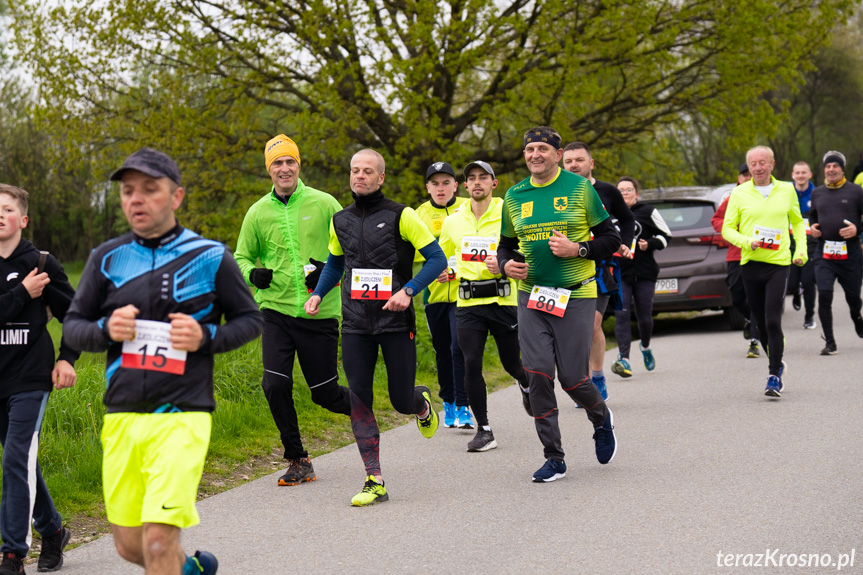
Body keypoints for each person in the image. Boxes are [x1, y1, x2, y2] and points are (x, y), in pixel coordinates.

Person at [64, 148, 263, 575]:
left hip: (182, 413)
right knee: (131, 547)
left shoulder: (210, 256)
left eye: (149, 190)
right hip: (122, 416)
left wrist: (206, 336)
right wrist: (105, 331)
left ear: (176, 197)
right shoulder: (106, 257)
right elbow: (72, 326)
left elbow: (250, 320)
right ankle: (190, 569)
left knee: (157, 540)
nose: (135, 200)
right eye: (128, 191)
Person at [304, 149, 447, 506]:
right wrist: (318, 294)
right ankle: (374, 478)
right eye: (355, 170)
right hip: (354, 324)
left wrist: (409, 290)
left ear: (380, 177)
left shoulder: (403, 215)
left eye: (368, 171)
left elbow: (437, 259)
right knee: (359, 399)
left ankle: (421, 404)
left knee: (400, 401)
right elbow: (336, 265)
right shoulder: (340, 220)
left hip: (395, 321)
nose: (360, 176)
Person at [497, 126, 619, 483]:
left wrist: (578, 249)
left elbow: (611, 238)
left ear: (556, 153)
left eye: (542, 149)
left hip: (576, 294)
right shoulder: (515, 195)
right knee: (537, 376)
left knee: (572, 378)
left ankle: (601, 418)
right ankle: (554, 458)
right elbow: (505, 245)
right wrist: (507, 263)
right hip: (532, 296)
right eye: (529, 149)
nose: (535, 155)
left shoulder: (579, 188)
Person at [234, 135, 351, 487]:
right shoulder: (257, 212)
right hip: (276, 312)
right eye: (277, 163)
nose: (284, 168)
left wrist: (329, 272)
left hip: (320, 313)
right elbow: (240, 257)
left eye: (290, 162)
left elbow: (350, 251)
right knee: (274, 384)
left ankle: (367, 412)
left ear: (299, 166)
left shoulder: (325, 203)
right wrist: (252, 274)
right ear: (268, 169)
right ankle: (298, 458)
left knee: (326, 394)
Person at [0, 185, 78, 575]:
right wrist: (21, 294)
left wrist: (67, 358)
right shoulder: (26, 281)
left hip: (30, 377)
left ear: (23, 219)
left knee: (16, 458)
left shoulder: (43, 263)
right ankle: (52, 530)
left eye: (7, 209)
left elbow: (76, 317)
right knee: (19, 461)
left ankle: (13, 553)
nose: (0, 215)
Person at [437, 160, 530, 452]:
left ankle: (526, 384)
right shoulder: (453, 221)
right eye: (472, 179)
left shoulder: (509, 213)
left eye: (483, 178)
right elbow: (444, 256)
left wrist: (504, 263)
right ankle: (485, 429)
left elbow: (527, 250)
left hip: (503, 300)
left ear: (494, 183)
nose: (477, 183)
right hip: (468, 303)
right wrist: (443, 271)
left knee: (512, 363)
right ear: (465, 186)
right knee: (470, 362)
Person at [721, 146, 806, 398]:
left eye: (762, 163)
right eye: (752, 164)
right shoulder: (739, 193)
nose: (757, 168)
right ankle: (777, 364)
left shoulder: (787, 189)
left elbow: (798, 222)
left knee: (772, 319)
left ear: (772, 164)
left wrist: (800, 251)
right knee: (760, 324)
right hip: (750, 264)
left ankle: (772, 376)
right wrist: (747, 242)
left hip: (778, 263)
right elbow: (727, 229)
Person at [561, 142, 635, 393]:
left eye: (579, 160)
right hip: (564, 270)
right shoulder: (555, 192)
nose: (573, 165)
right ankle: (579, 382)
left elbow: (627, 219)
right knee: (571, 330)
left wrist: (625, 244)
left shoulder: (607, 191)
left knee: (591, 325)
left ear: (590, 164)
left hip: (600, 268)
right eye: (568, 161)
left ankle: (597, 378)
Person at [414, 162, 470, 429]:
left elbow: (478, 245)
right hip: (434, 295)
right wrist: (432, 268)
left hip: (465, 293)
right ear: (427, 187)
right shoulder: (417, 214)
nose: (440, 188)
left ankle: (464, 405)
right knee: (443, 350)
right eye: (435, 183)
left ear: (456, 186)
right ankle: (448, 401)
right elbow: (412, 253)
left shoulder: (469, 207)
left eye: (446, 183)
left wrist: (456, 270)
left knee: (460, 347)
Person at [613, 177, 671, 374]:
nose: (624, 193)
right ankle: (624, 359)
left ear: (637, 194)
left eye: (628, 190)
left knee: (644, 317)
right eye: (620, 190)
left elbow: (666, 236)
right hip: (619, 272)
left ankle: (645, 347)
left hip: (645, 272)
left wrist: (649, 244)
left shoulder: (648, 211)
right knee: (621, 315)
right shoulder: (609, 214)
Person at [809, 150, 863, 355]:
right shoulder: (818, 193)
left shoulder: (856, 191)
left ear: (842, 169)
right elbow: (812, 214)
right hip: (825, 253)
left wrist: (857, 229)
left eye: (835, 166)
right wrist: (813, 226)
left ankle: (856, 315)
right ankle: (830, 342)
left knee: (853, 298)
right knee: (824, 294)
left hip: (850, 254)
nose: (831, 170)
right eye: (828, 166)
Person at [712, 163, 761, 357]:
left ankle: (755, 341)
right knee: (737, 296)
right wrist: (734, 226)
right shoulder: (733, 198)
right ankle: (750, 319)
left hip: (760, 254)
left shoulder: (764, 198)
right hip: (736, 254)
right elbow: (716, 220)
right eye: (744, 175)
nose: (748, 178)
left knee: (757, 297)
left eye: (751, 175)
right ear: (739, 179)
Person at [788, 161, 817, 329]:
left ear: (809, 174)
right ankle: (797, 292)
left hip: (810, 244)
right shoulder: (786, 193)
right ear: (793, 175)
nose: (800, 175)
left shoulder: (816, 194)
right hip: (790, 243)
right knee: (791, 284)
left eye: (803, 172)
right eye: (797, 173)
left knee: (808, 281)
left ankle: (809, 316)